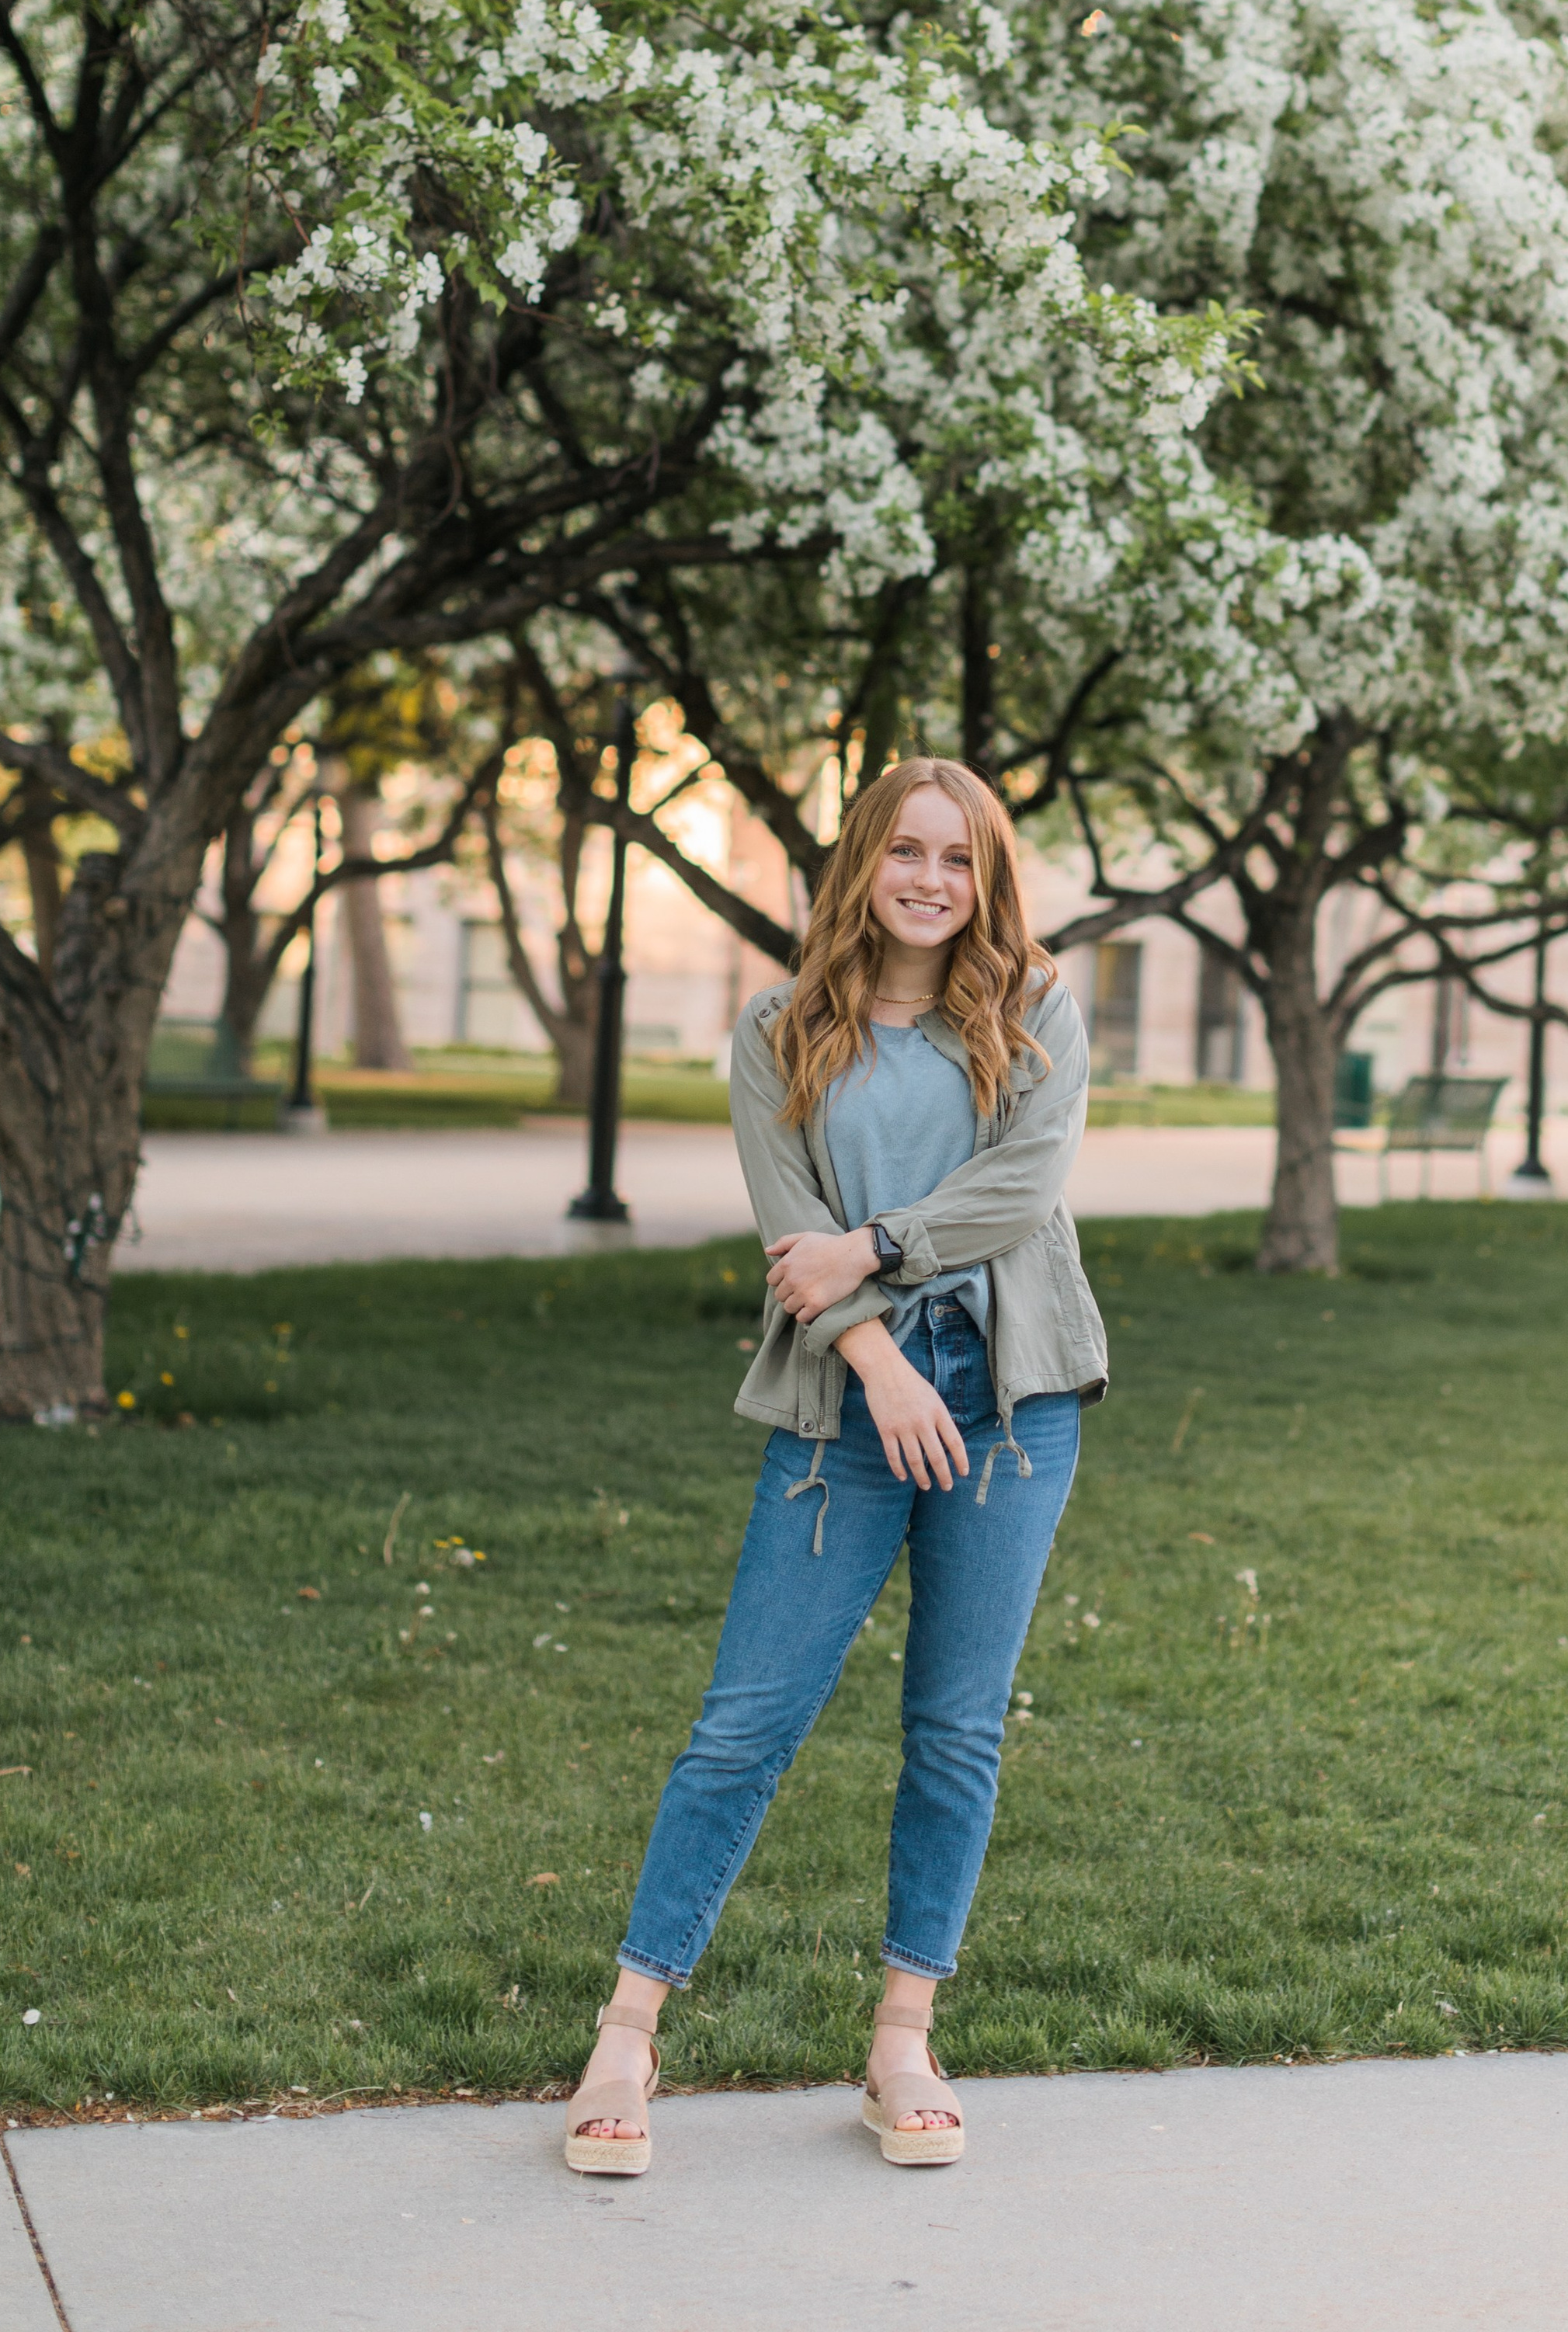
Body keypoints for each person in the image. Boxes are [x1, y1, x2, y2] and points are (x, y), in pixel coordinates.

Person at [564, 756, 1107, 2174]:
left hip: (1010, 1411)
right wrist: (878, 1359)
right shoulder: (780, 1027)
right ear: (862, 861)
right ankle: (626, 2031)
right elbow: (784, 1220)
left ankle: (902, 2040)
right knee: (745, 1724)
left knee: (956, 1731)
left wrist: (872, 1248)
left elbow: (1019, 1188)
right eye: (905, 851)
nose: (931, 880)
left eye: (958, 858)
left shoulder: (1036, 1008)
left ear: (986, 878)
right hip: (844, 1419)